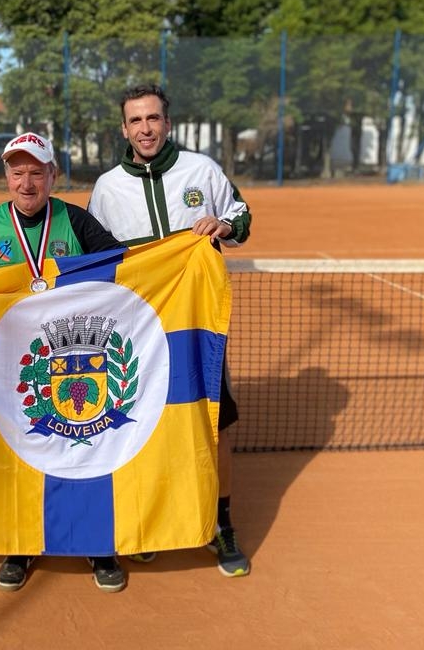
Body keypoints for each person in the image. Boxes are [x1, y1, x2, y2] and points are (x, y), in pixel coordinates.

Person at [0, 131, 126, 593]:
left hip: (74, 363)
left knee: (85, 451)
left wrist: (182, 253)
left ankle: (96, 545)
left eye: (37, 172)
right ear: (6, 177)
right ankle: (20, 544)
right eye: (18, 173)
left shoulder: (76, 222)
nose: (27, 183)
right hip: (10, 372)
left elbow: (126, 268)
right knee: (17, 455)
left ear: (53, 175)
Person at [88, 83, 253, 578]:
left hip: (197, 325)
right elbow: (96, 259)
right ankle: (149, 519)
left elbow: (242, 215)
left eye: (153, 119)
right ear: (124, 128)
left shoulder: (201, 170)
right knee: (142, 424)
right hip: (136, 332)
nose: (145, 128)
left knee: (214, 421)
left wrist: (223, 227)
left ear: (168, 122)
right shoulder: (107, 186)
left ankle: (220, 522)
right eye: (136, 121)